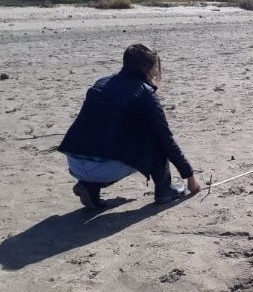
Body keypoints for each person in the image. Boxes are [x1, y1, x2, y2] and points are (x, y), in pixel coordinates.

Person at [58, 44, 201, 210]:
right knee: (155, 136)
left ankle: (90, 187)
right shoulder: (144, 92)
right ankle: (164, 190)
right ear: (149, 68)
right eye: (155, 67)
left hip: (75, 162)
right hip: (102, 167)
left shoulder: (102, 82)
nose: (156, 71)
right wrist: (190, 176)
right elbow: (166, 139)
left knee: (106, 136)